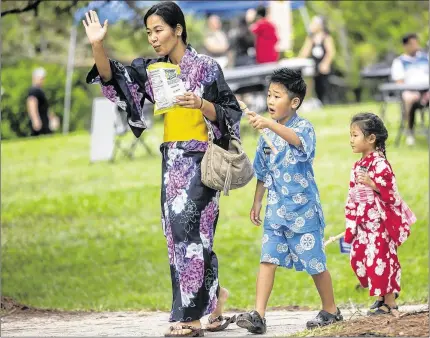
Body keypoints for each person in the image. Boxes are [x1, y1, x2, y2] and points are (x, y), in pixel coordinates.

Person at [82, 2, 242, 336]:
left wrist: (202, 104)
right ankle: (215, 303)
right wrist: (98, 46)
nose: (153, 39)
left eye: (159, 30)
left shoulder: (208, 67)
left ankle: (188, 318)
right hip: (172, 164)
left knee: (189, 235)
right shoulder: (154, 71)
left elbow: (230, 114)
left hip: (202, 161)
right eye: (149, 33)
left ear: (178, 29)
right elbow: (116, 80)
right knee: (179, 237)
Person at [236, 68, 342, 334]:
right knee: (267, 259)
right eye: (269, 95)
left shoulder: (303, 127)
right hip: (277, 211)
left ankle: (330, 309)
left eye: (277, 96)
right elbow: (262, 171)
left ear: (294, 102)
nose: (270, 101)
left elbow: (300, 145)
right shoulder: (265, 134)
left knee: (315, 262)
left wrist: (270, 125)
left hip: (303, 211)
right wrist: (257, 201)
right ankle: (258, 315)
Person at [345, 113, 416, 315]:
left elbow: (392, 194)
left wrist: (372, 184)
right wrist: (351, 221)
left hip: (380, 225)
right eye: (350, 135)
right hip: (363, 224)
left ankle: (389, 301)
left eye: (355, 135)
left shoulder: (380, 164)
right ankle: (381, 296)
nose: (351, 140)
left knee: (381, 260)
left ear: (371, 138)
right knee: (360, 258)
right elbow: (351, 195)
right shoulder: (357, 165)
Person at [391, 33, 429, 146]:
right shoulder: (399, 62)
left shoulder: (425, 58)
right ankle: (410, 132)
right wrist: (415, 92)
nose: (416, 46)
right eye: (412, 44)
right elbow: (400, 83)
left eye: (416, 43)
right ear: (405, 46)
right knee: (408, 98)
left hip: (427, 91)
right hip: (411, 92)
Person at [299, 16, 335, 105]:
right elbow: (305, 52)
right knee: (315, 84)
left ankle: (327, 102)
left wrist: (325, 63)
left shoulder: (326, 37)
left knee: (325, 85)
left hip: (324, 66)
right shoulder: (311, 37)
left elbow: (331, 52)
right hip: (314, 66)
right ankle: (317, 101)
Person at [27, 68, 54, 136]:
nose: (42, 80)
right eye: (41, 78)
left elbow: (45, 107)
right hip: (40, 122)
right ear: (34, 78)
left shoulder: (40, 90)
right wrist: (35, 119)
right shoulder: (34, 90)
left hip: (45, 122)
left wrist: (52, 117)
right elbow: (31, 104)